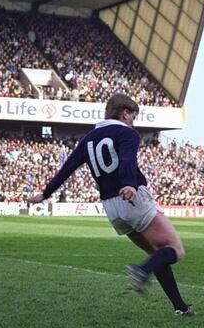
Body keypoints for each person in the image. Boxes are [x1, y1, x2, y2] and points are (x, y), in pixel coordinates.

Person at [27, 93, 193, 315]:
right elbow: (127, 160)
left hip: (111, 208)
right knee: (175, 250)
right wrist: (129, 184)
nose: (133, 121)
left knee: (156, 253)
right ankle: (142, 271)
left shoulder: (87, 140)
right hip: (131, 198)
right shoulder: (127, 133)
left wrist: (45, 194)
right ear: (124, 113)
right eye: (133, 116)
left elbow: (66, 169)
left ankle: (180, 307)